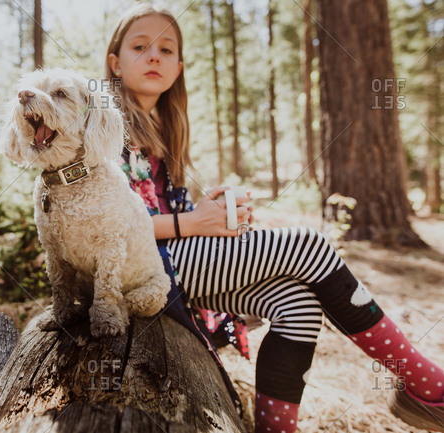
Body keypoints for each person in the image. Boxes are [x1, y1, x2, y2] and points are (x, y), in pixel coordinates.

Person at [104, 4, 444, 433]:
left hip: (169, 264)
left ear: (179, 67)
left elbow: (156, 216)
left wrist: (204, 212)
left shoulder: (161, 130)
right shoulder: (101, 122)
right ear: (115, 62)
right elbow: (109, 225)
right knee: (309, 245)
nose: (154, 56)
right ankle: (426, 385)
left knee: (296, 304)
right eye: (140, 46)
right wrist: (192, 224)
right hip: (131, 273)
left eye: (166, 49)